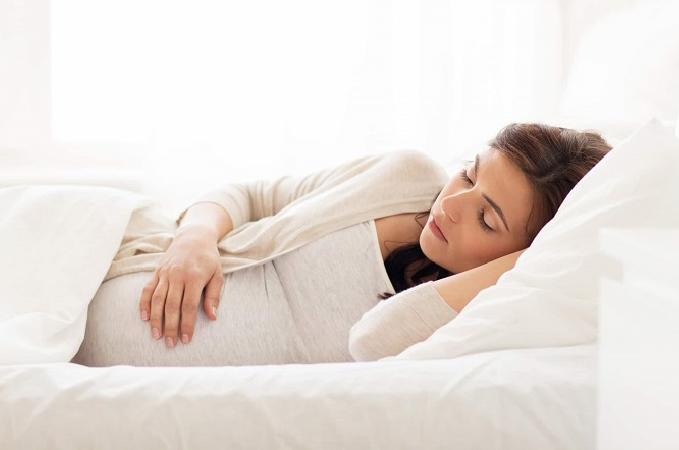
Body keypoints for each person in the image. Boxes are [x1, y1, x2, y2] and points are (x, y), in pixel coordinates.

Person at [70, 122, 612, 367]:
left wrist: (530, 263)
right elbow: (253, 195)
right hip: (109, 252)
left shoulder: (479, 312)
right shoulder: (407, 175)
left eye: (486, 219)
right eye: (469, 174)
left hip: (67, 330)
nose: (451, 205)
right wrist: (194, 239)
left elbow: (373, 341)